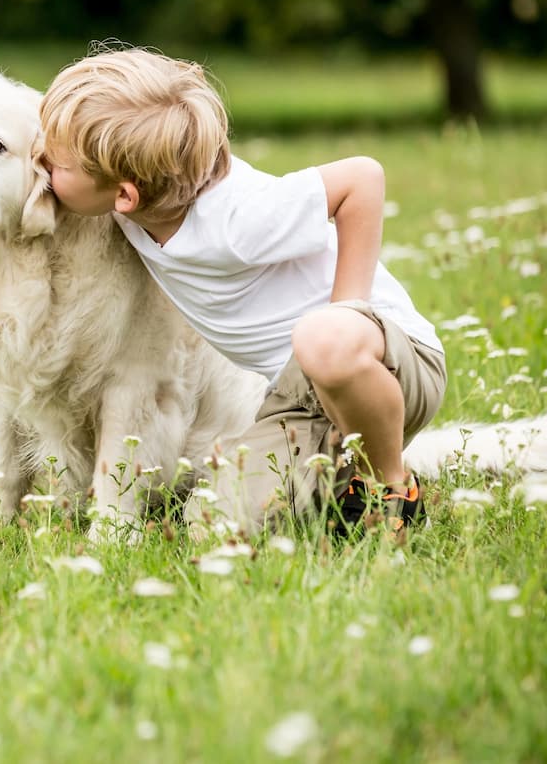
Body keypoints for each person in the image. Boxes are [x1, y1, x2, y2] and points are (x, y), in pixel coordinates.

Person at [39, 46, 446, 534]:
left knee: (323, 339)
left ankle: (391, 488)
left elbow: (363, 178)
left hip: (389, 362)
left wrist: (349, 311)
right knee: (213, 524)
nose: (39, 163)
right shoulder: (140, 208)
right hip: (300, 396)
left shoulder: (237, 218)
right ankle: (335, 486)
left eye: (54, 162)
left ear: (124, 196)